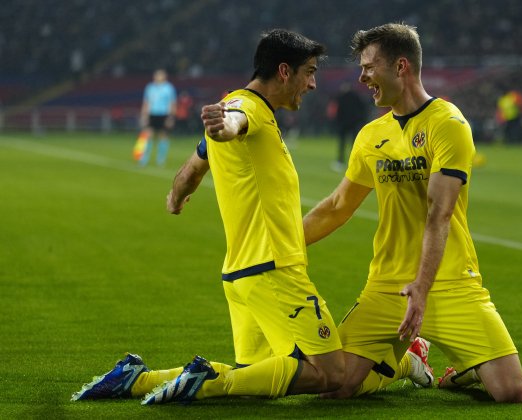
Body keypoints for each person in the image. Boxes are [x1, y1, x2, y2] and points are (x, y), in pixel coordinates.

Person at [72, 29, 347, 405]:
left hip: (242, 274)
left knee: (256, 379)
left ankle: (137, 379)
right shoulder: (247, 108)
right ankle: (206, 382)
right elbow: (234, 120)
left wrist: (176, 194)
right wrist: (225, 125)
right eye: (309, 72)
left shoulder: (251, 111)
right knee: (331, 373)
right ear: (284, 71)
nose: (313, 83)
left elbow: (193, 168)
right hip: (274, 270)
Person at [302, 23, 522, 402]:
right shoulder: (371, 135)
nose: (362, 77)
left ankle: (465, 371)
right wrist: (283, 245)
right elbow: (339, 206)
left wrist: (421, 289)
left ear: (401, 66)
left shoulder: (448, 124)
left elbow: (439, 214)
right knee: (336, 387)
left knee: (510, 391)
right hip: (386, 284)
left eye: (369, 67)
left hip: (450, 281)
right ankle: (407, 362)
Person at [139, 69, 177, 166]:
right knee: (148, 135)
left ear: (164, 77)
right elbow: (146, 102)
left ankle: (161, 159)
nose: (158, 77)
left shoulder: (169, 88)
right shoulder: (150, 87)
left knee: (163, 136)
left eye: (160, 75)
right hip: (152, 114)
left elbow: (172, 103)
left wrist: (171, 117)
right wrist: (144, 115)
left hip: (164, 114)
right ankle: (144, 158)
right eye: (156, 75)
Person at [331, 83, 368, 172]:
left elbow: (338, 111)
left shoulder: (341, 97)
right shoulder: (356, 97)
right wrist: (361, 120)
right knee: (354, 143)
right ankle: (354, 162)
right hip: (354, 123)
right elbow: (363, 109)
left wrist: (338, 122)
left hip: (344, 124)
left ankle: (340, 162)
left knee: (342, 144)